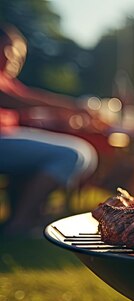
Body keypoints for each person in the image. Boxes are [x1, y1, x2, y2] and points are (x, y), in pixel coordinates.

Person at [0, 24, 100, 236]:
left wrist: (62, 119)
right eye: (10, 50)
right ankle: (21, 223)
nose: (16, 58)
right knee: (71, 154)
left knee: (82, 151)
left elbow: (28, 111)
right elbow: (14, 100)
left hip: (7, 138)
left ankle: (29, 214)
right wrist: (72, 105)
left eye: (21, 55)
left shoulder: (8, 81)